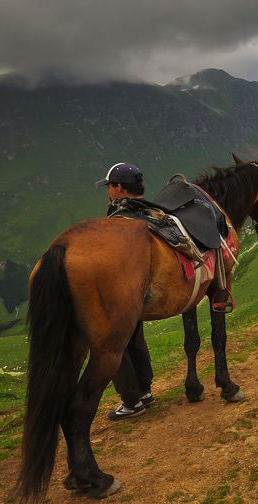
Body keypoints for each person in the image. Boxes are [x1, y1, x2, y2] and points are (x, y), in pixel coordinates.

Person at [95, 163, 156, 420]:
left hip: (124, 291)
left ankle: (131, 401)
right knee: (135, 336)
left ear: (119, 188)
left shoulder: (120, 223)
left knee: (110, 338)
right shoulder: (152, 214)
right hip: (143, 291)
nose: (107, 191)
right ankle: (144, 391)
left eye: (109, 186)